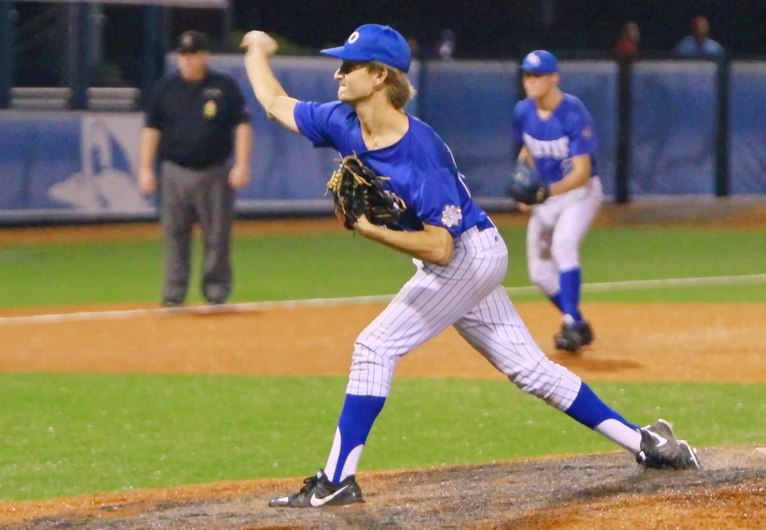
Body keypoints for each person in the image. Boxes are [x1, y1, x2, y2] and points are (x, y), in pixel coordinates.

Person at [241, 24, 701, 508]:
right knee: (531, 371)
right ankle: (649, 442)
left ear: (379, 77)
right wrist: (255, 50)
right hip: (456, 263)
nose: (338, 73)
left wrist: (371, 230)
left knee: (374, 347)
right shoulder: (341, 121)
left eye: (349, 65)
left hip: (468, 256)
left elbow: (440, 249)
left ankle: (336, 480)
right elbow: (274, 103)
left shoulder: (421, 151)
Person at [138, 30, 253, 307]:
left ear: (205, 56)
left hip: (214, 172)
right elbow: (151, 130)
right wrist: (145, 168)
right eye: (184, 55)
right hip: (174, 171)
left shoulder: (224, 87)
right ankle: (173, 294)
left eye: (193, 54)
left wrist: (242, 164)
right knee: (175, 235)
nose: (188, 60)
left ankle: (216, 292)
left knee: (217, 237)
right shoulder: (165, 89)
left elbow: (242, 125)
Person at [512, 50, 602, 354]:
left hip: (579, 193)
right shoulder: (523, 111)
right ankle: (577, 321)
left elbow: (582, 172)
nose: (531, 81)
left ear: (554, 78)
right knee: (539, 273)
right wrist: (524, 179)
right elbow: (528, 149)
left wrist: (545, 193)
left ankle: (570, 324)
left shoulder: (573, 113)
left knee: (564, 244)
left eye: (538, 75)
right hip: (547, 196)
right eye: (527, 75)